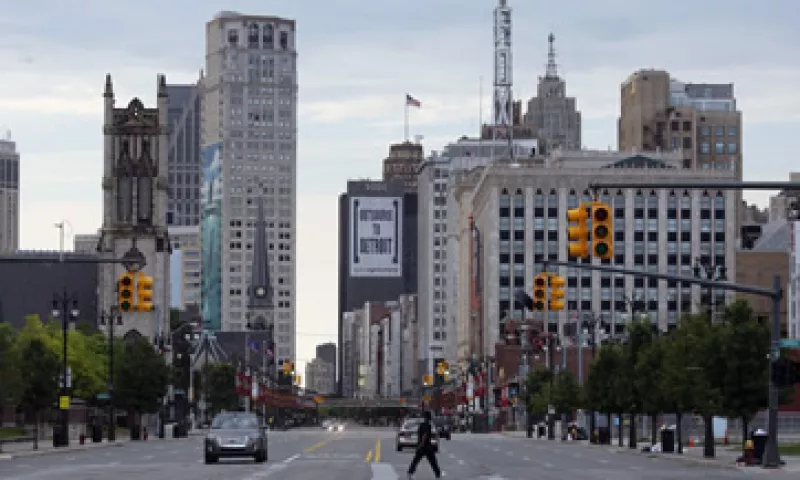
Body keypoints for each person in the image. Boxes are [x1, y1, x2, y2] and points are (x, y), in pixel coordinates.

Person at [407, 411, 441, 479]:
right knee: (432, 461)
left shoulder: (423, 425)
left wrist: (419, 445)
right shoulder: (427, 425)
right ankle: (438, 474)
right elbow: (425, 435)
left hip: (423, 445)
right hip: (426, 446)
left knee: (416, 460)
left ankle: (410, 473)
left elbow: (423, 435)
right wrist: (422, 444)